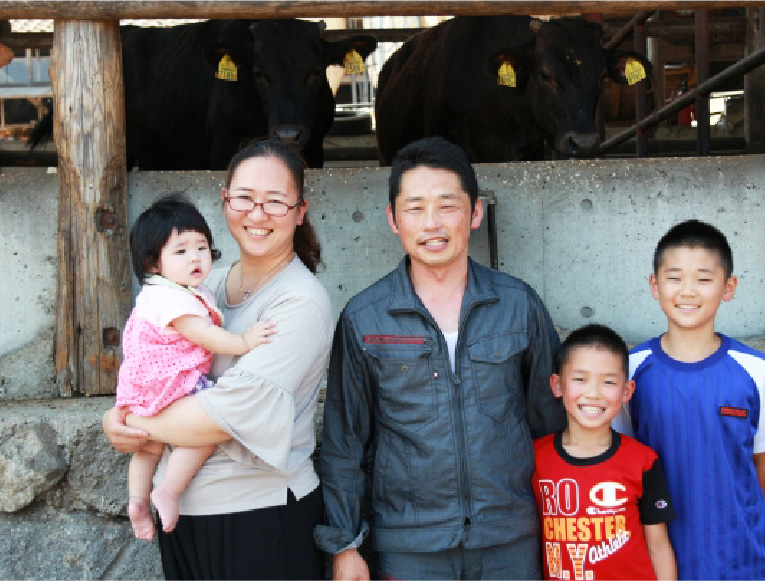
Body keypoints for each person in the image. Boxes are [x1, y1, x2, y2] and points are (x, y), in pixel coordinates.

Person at [315, 136, 566, 580]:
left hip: (510, 540)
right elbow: (344, 442)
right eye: (415, 207)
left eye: (447, 205)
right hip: (410, 545)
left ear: (475, 213)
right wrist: (345, 543)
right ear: (393, 219)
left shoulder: (518, 306)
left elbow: (550, 423)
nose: (432, 223)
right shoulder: (364, 317)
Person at [103, 140, 333, 580]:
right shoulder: (200, 289)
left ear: (299, 211)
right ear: (225, 201)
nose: (257, 212)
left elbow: (222, 415)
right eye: (244, 197)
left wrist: (128, 418)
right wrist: (117, 417)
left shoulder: (299, 302)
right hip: (186, 515)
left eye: (276, 201)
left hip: (258, 516)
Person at [613, 219, 765, 580]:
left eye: (704, 279)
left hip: (737, 557)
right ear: (654, 285)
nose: (688, 291)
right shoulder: (630, 370)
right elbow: (621, 462)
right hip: (657, 556)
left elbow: (760, 465)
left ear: (728, 287)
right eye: (675, 277)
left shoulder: (756, 369)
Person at [118, 193, 276, 541]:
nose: (195, 258)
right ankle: (169, 490)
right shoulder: (173, 298)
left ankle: (137, 500)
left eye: (201, 247)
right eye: (180, 251)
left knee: (148, 446)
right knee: (203, 434)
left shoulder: (165, 291)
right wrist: (245, 342)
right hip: (171, 381)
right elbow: (205, 335)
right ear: (152, 263)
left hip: (143, 385)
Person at [533, 324, 676, 581]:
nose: (593, 393)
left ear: (626, 391)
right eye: (580, 379)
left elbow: (658, 547)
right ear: (557, 385)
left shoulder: (642, 461)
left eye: (608, 382)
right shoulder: (534, 459)